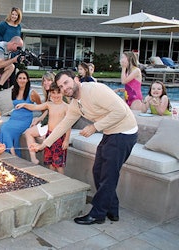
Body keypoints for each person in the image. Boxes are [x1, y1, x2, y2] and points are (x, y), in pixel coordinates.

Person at [30, 70, 138, 225]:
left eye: (66, 82)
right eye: (61, 86)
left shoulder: (94, 90)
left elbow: (121, 111)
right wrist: (43, 145)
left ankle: (98, 214)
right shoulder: (75, 104)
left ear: (75, 79)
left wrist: (94, 127)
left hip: (124, 132)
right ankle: (112, 210)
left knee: (108, 175)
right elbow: (62, 126)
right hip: (111, 132)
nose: (64, 88)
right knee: (98, 171)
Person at [17, 82, 70, 174]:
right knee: (50, 161)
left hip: (59, 138)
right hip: (49, 135)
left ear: (63, 93)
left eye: (58, 92)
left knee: (58, 164)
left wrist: (66, 140)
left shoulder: (66, 107)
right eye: (53, 93)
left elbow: (68, 125)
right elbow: (35, 107)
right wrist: (24, 105)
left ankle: (62, 181)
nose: (56, 95)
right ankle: (52, 179)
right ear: (50, 93)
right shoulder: (49, 104)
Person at [0, 70, 41, 157]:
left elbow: (42, 106)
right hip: (13, 119)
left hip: (24, 120)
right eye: (20, 78)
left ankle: (13, 155)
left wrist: (39, 119)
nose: (22, 80)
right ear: (17, 80)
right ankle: (9, 154)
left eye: (24, 78)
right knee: (3, 128)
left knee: (6, 130)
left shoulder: (32, 93)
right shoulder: (14, 90)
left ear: (27, 80)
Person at [24, 72, 55, 164]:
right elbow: (47, 110)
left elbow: (58, 114)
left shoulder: (56, 94)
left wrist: (48, 130)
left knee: (29, 133)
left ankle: (35, 158)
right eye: (44, 81)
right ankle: (34, 159)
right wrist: (39, 119)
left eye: (48, 80)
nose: (46, 83)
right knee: (28, 131)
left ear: (53, 81)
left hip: (53, 123)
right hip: (47, 122)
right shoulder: (49, 94)